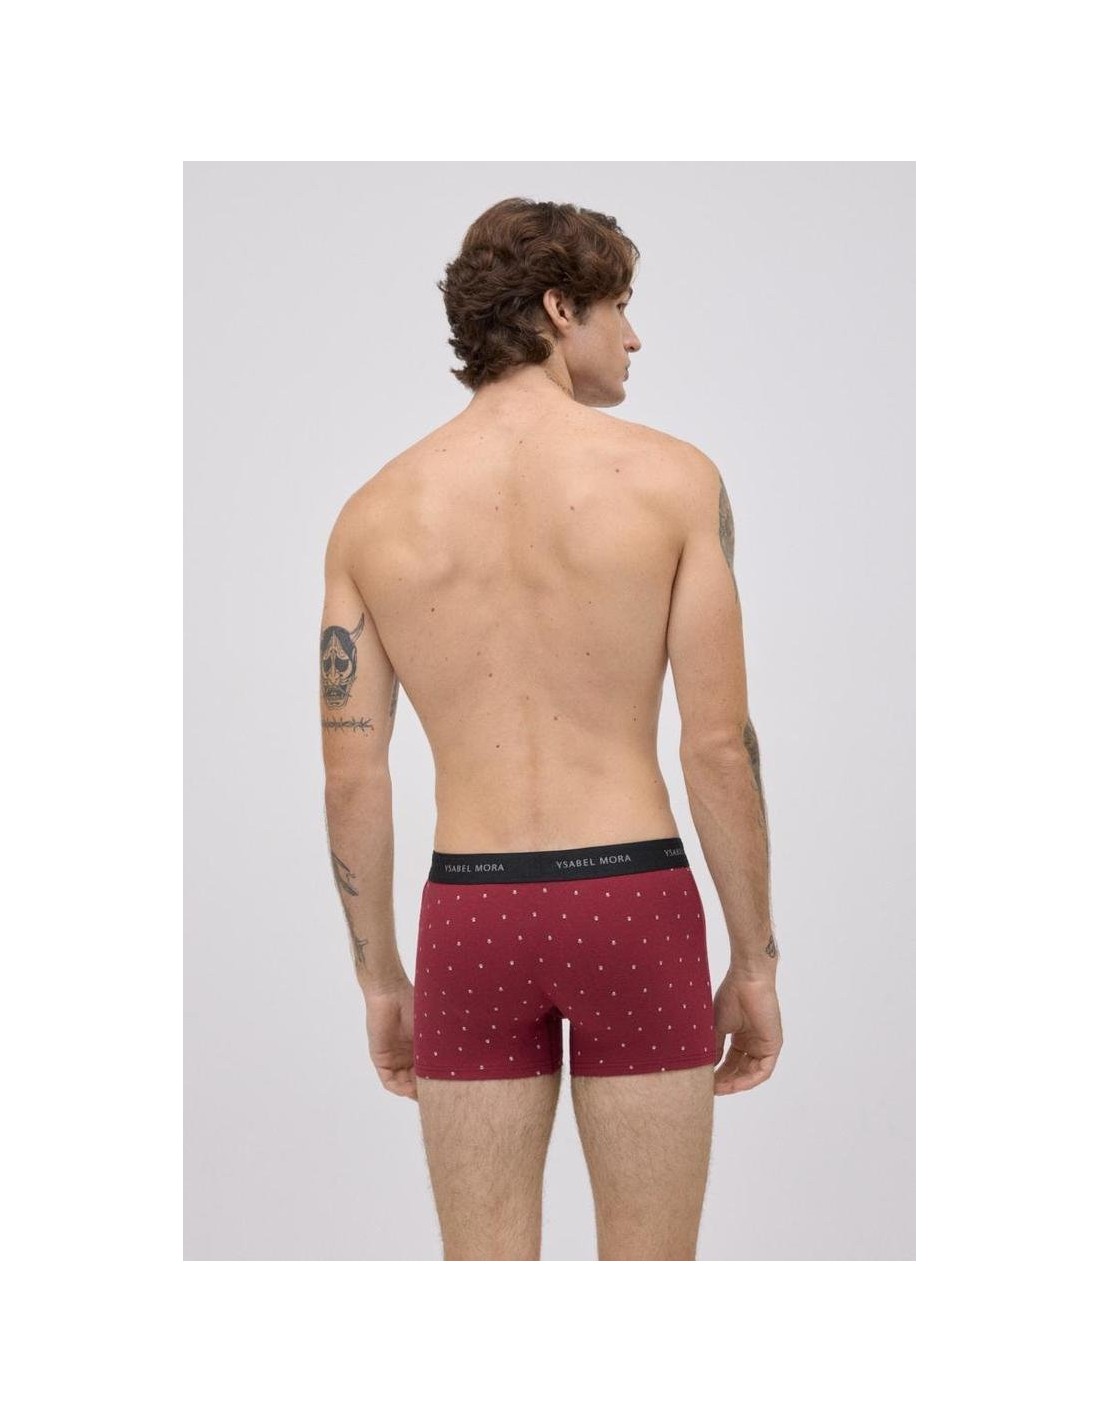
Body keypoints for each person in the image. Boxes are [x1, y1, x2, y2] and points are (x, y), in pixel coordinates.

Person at [319, 196, 783, 1261]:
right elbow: (717, 745)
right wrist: (754, 959)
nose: (634, 337)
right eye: (620, 307)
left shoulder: (371, 514)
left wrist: (381, 980)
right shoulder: (674, 480)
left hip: (470, 918)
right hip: (632, 904)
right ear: (559, 307)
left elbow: (352, 779)